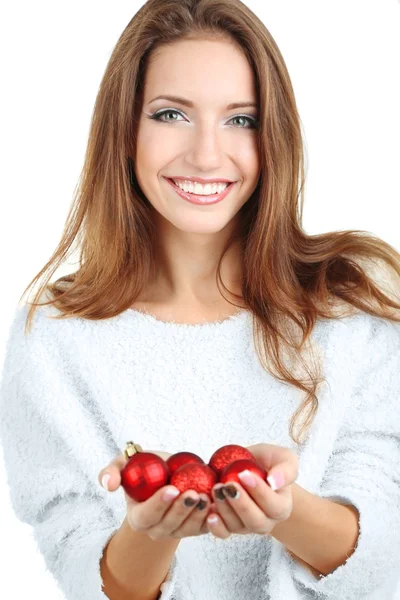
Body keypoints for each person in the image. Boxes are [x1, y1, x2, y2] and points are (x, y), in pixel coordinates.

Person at [1, 0, 400, 599]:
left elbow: (386, 553)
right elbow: (84, 573)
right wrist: (151, 531)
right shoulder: (57, 337)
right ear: (125, 130)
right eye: (171, 114)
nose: (208, 155)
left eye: (241, 120)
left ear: (275, 137)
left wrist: (285, 512)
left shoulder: (351, 303)